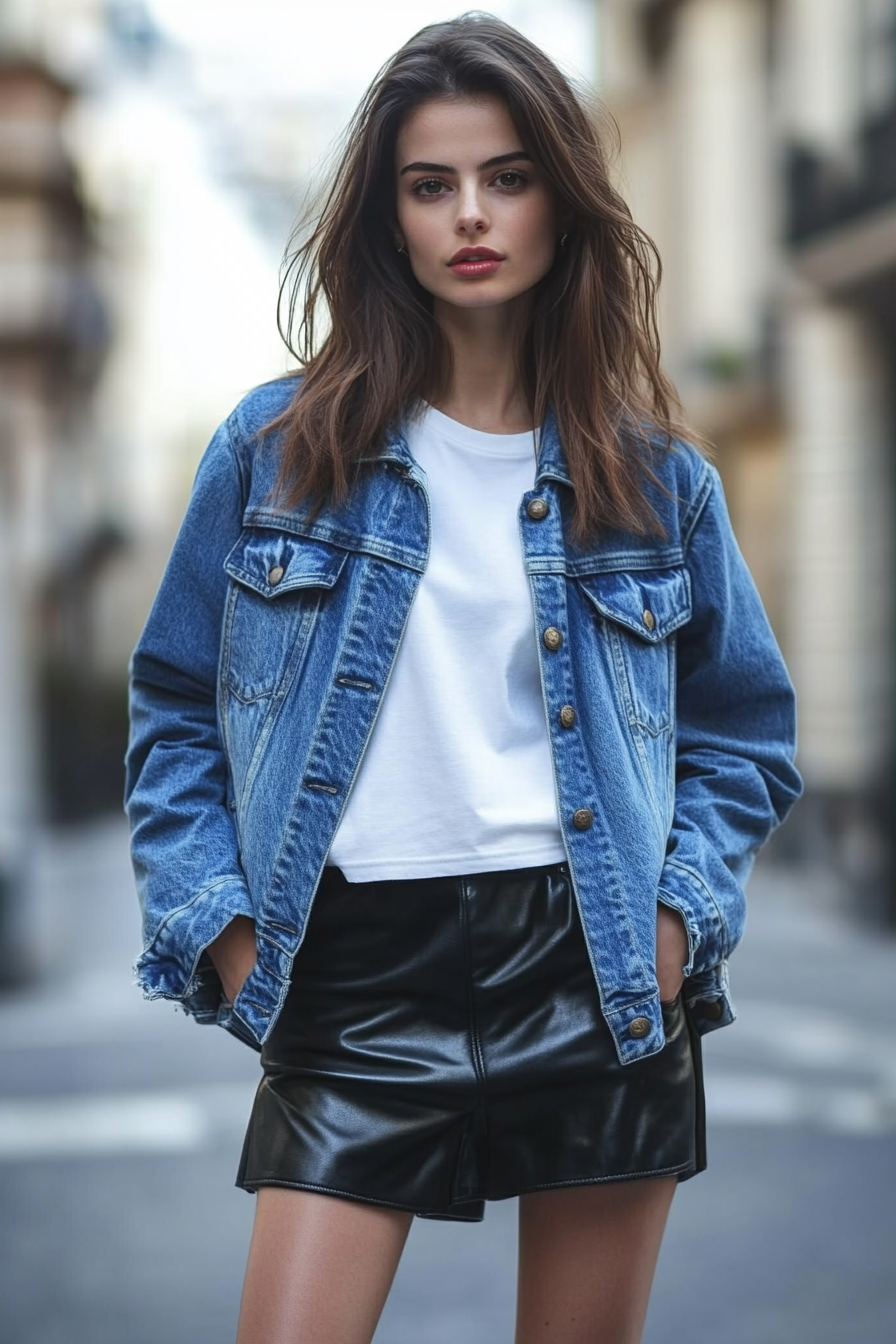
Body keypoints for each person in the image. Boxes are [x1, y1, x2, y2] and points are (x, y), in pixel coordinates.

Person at [125, 14, 801, 1344]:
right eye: (431, 186)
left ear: (562, 196)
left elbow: (744, 732)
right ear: (389, 219)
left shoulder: (655, 478)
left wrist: (675, 919)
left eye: (507, 176)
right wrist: (226, 927)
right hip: (357, 971)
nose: (471, 216)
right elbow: (171, 707)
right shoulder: (273, 451)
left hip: (595, 965)